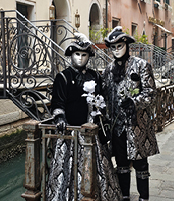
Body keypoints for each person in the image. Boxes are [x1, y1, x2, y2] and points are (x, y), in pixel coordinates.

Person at [49, 34, 121, 201]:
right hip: (71, 133)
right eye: (77, 55)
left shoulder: (95, 76)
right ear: (71, 56)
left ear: (89, 57)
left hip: (92, 131)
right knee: (70, 167)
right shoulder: (63, 77)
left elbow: (102, 98)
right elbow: (57, 102)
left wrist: (101, 112)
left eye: (84, 55)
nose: (80, 58)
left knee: (97, 165)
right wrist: (59, 118)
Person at [102, 27, 159, 201]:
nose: (116, 50)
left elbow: (151, 93)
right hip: (117, 127)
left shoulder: (141, 65)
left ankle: (144, 198)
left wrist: (134, 102)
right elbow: (104, 96)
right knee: (121, 164)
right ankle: (124, 196)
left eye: (119, 45)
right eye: (113, 47)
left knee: (141, 164)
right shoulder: (107, 70)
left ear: (126, 44)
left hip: (137, 126)